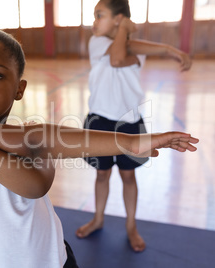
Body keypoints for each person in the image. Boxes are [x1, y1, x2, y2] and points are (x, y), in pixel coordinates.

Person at [0, 30, 198, 267]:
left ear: (19, 89)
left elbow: (36, 155)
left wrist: (128, 143)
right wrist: (127, 143)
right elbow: (32, 175)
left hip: (52, 260)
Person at [75, 0, 193, 252]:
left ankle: (131, 225)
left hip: (130, 123)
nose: (94, 21)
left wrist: (171, 49)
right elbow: (117, 59)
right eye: (94, 16)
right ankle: (98, 218)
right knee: (102, 174)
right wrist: (126, 30)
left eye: (100, 15)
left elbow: (128, 49)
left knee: (129, 176)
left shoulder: (132, 46)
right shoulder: (97, 42)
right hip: (99, 122)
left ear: (118, 19)